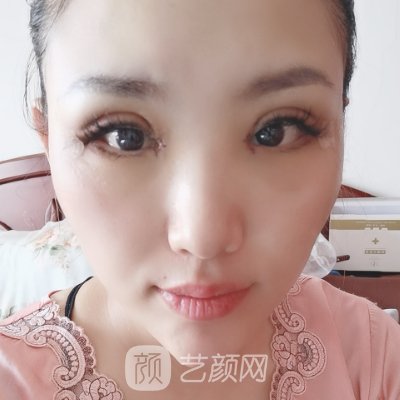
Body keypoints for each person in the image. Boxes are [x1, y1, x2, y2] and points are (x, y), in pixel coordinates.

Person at [1, 0, 399, 398]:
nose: (203, 239)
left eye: (276, 130)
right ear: (49, 142)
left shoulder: (371, 355)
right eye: (125, 137)